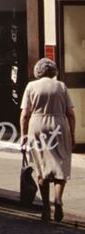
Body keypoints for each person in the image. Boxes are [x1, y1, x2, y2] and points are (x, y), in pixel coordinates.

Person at [20, 57, 76, 223]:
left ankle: (45, 208)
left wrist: (23, 136)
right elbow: (71, 114)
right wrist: (72, 134)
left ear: (38, 71)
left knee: (41, 167)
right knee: (61, 164)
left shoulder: (31, 86)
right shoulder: (61, 86)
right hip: (59, 124)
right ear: (53, 71)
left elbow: (24, 115)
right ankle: (58, 199)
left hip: (37, 125)